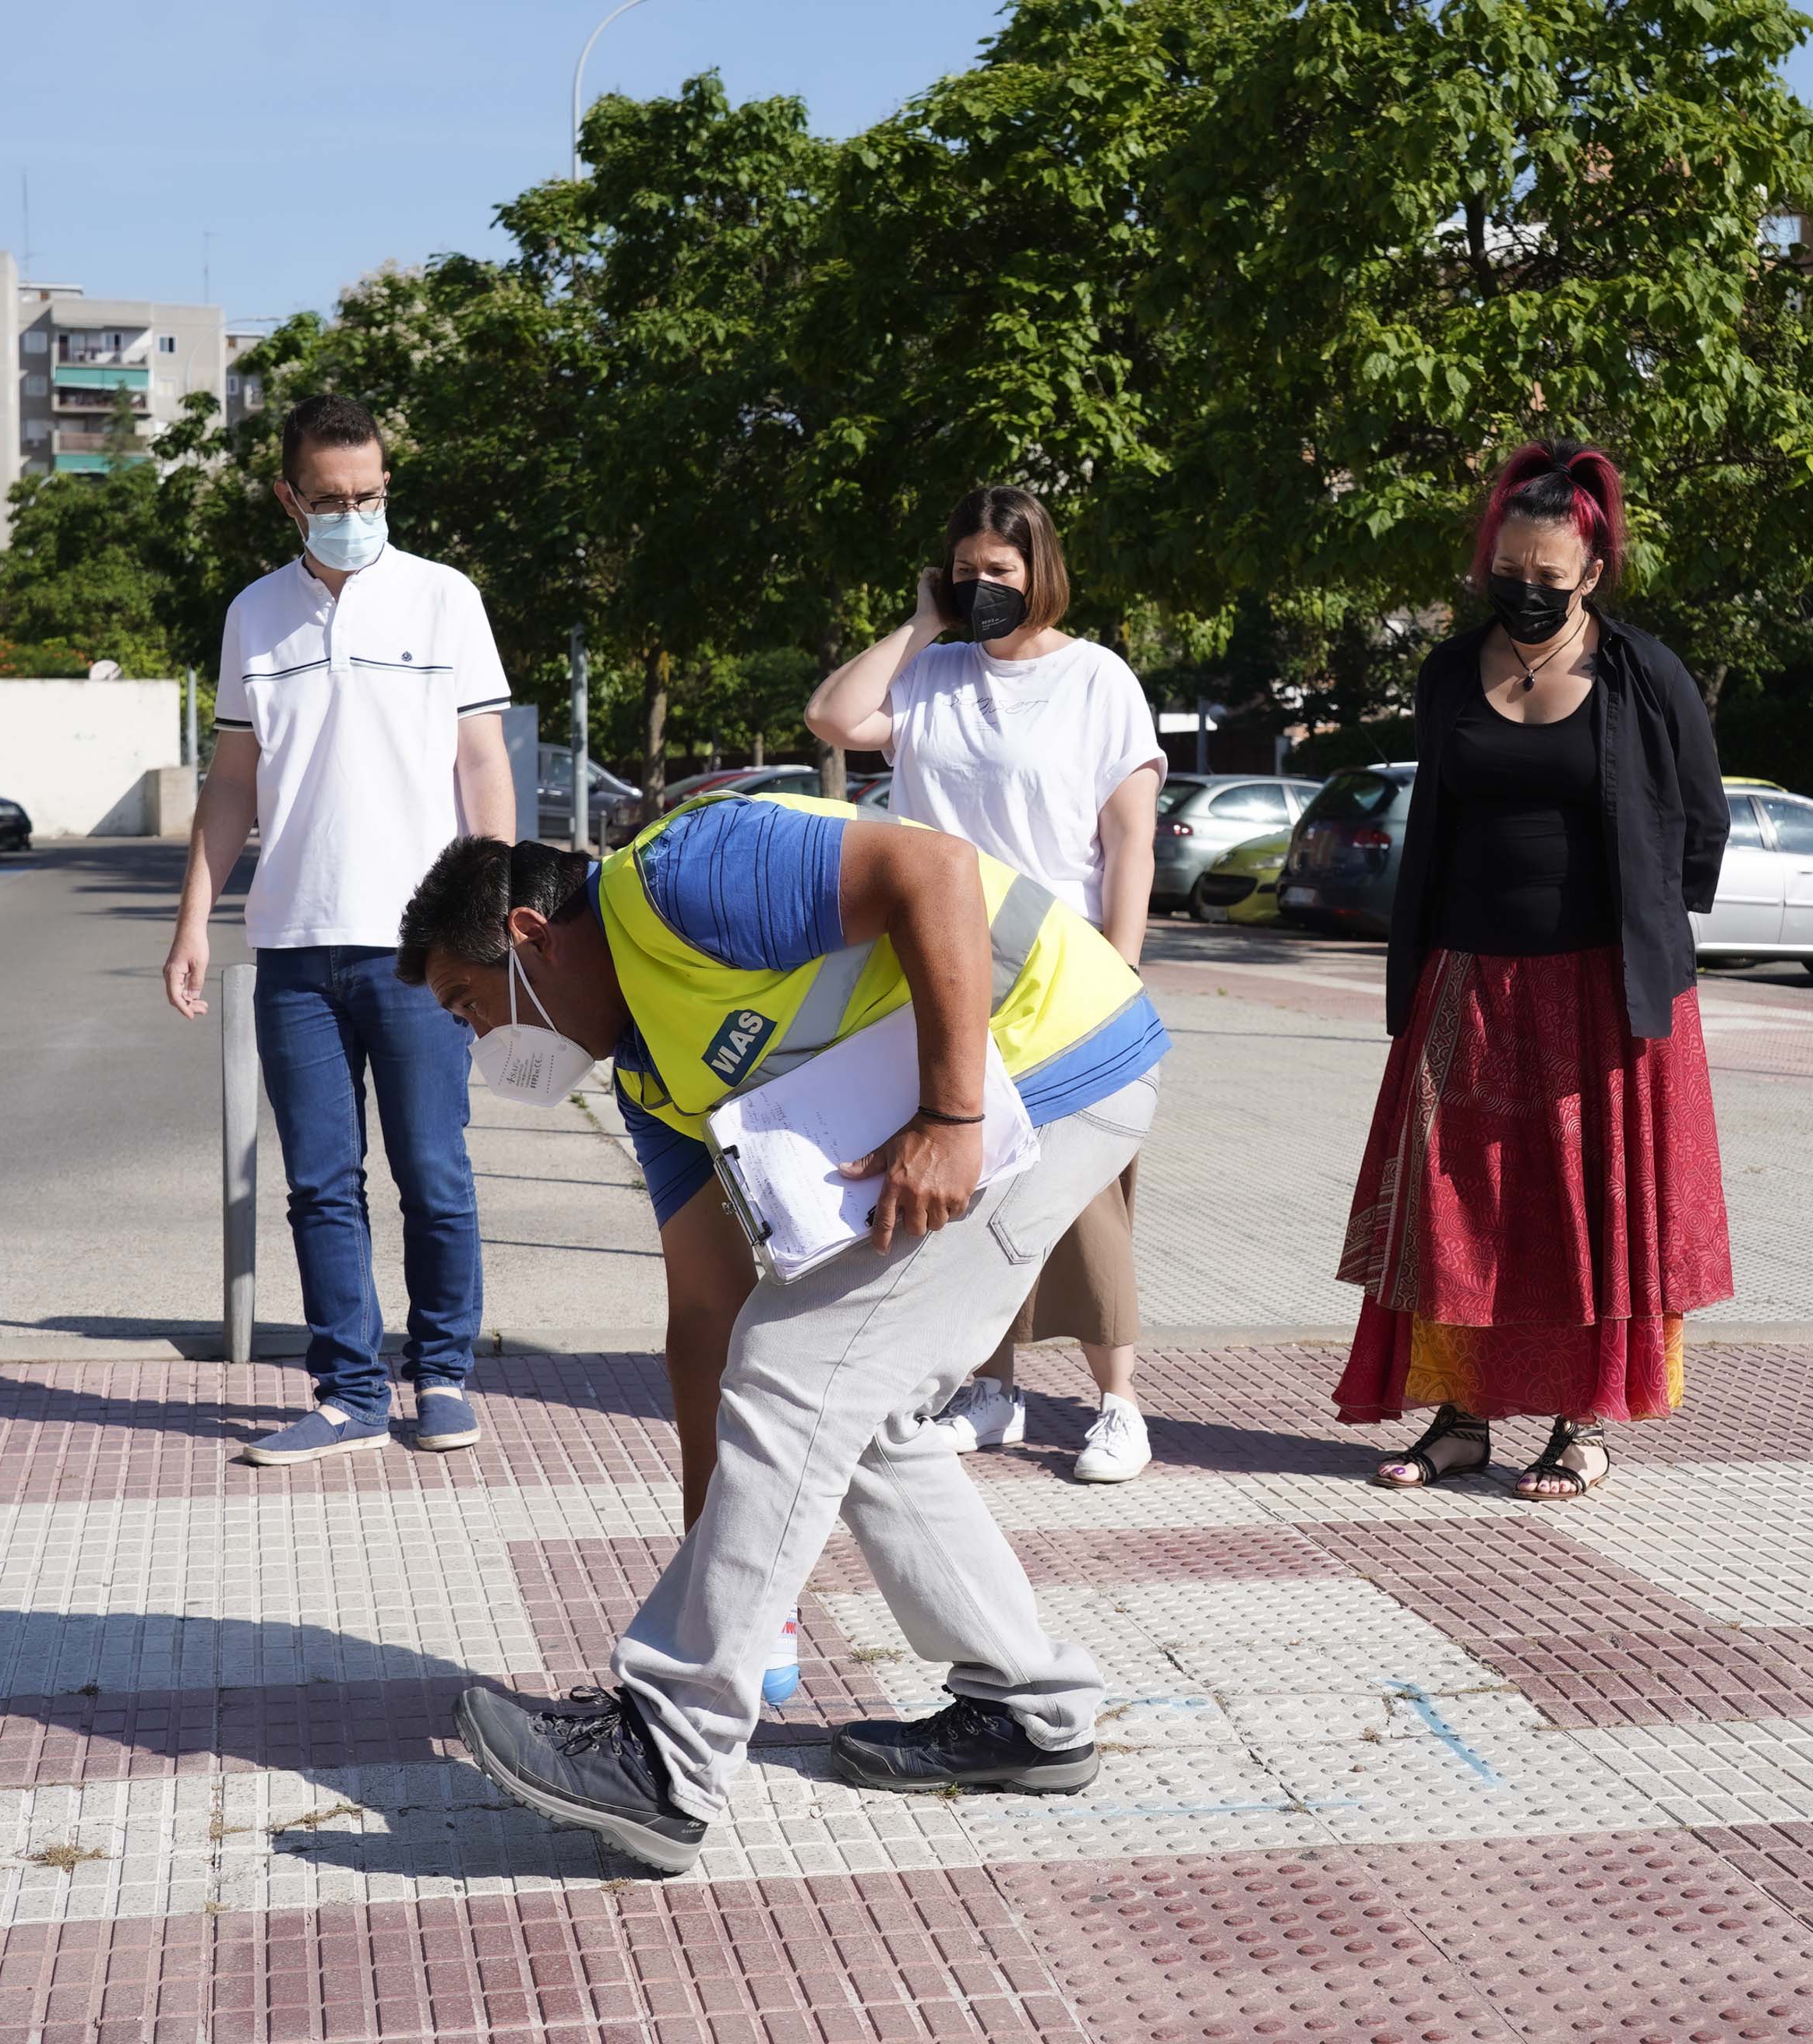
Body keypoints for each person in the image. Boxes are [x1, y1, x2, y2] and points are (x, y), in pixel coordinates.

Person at [397, 789, 1170, 1873]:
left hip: (1050, 1059)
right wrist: (726, 1566)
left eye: (467, 1003)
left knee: (803, 1364)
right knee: (853, 1402)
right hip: (1017, 1080)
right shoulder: (653, 1074)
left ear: (531, 937)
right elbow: (706, 1319)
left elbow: (935, 869)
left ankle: (668, 1753)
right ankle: (1029, 1709)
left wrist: (951, 1117)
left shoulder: (680, 879)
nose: (480, 1039)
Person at [1336, 440, 1734, 1500]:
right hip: (1468, 978)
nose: (1522, 588)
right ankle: (1461, 1417)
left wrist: (1649, 935)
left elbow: (1702, 819)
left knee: (1584, 1209)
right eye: (1505, 569)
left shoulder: (1642, 672)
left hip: (1601, 989)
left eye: (1546, 575)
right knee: (1460, 1206)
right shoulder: (1446, 673)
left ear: (1591, 573)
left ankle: (1581, 1423)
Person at [164, 394, 515, 1467]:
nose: (354, 514)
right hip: (293, 947)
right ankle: (349, 1394)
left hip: (421, 948)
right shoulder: (253, 615)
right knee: (320, 1185)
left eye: (370, 496)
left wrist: (493, 912)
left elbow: (483, 762)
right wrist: (193, 917)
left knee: (433, 1171)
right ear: (289, 497)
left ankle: (442, 1375)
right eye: (331, 499)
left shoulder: (445, 598)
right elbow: (234, 779)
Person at [805, 488, 1166, 1482]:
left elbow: (1129, 842)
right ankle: (990, 1387)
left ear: (1040, 569)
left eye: (999, 571)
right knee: (964, 1173)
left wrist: (1123, 968)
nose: (982, 585)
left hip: (1062, 969)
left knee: (1084, 1192)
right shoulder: (932, 673)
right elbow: (832, 717)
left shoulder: (1097, 679)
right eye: (965, 571)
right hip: (936, 960)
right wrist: (925, 623)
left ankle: (1119, 1402)